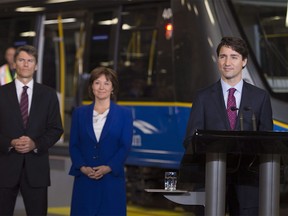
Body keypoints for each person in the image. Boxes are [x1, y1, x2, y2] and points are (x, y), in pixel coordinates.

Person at [183, 36, 273, 215]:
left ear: (244, 61)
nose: (227, 62)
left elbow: (267, 141)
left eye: (234, 56)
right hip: (211, 179)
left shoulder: (260, 97)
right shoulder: (203, 97)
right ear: (218, 61)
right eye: (223, 56)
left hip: (247, 183)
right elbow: (189, 140)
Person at [0, 45, 64, 216]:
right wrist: (10, 142)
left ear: (36, 65)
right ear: (14, 64)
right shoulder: (1, 93)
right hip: (4, 169)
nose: (26, 64)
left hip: (36, 169)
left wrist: (35, 143)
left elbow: (56, 128)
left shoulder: (49, 95)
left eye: (30, 61)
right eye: (21, 60)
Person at [69, 66, 133, 215]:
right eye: (97, 83)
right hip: (85, 179)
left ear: (113, 88)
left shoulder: (124, 114)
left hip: (111, 180)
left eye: (107, 83)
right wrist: (83, 167)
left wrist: (108, 167)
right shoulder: (79, 113)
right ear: (91, 87)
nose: (101, 87)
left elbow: (125, 146)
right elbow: (74, 145)